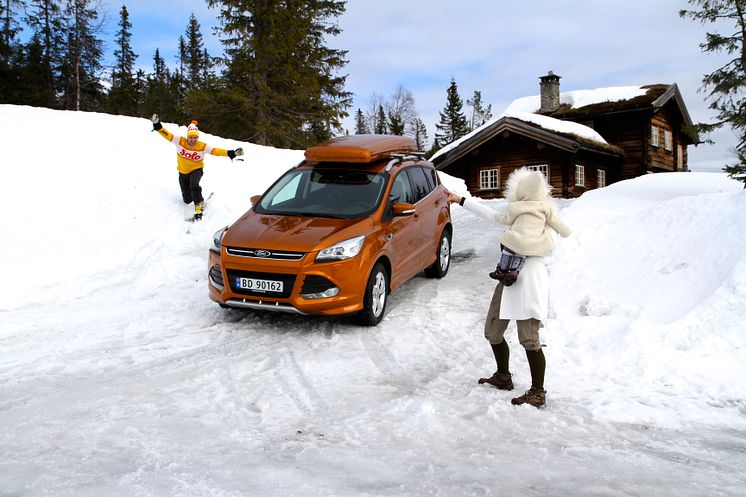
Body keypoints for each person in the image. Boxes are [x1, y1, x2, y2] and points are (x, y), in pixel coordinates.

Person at [447, 167, 571, 408]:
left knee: (529, 338)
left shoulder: (546, 219)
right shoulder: (515, 213)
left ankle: (538, 392)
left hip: (531, 278)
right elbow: (490, 214)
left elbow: (564, 235)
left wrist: (543, 256)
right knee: (492, 331)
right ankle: (503, 376)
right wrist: (461, 199)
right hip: (509, 275)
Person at [150, 114, 244, 220]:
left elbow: (215, 151)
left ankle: (199, 208)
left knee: (194, 185)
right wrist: (157, 125)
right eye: (191, 137)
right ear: (187, 137)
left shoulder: (202, 146)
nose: (193, 140)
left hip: (196, 170)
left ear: (197, 138)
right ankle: (195, 198)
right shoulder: (179, 141)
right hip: (182, 172)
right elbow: (167, 135)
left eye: (195, 137)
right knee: (187, 200)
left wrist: (231, 153)